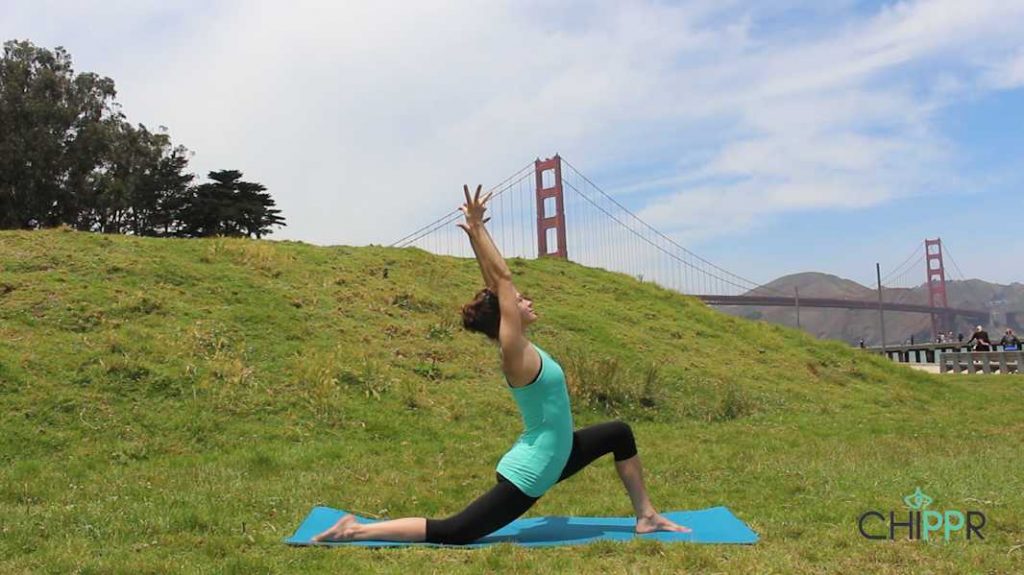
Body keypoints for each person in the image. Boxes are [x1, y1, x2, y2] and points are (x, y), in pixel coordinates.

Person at [313, 185, 689, 545]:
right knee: (454, 532)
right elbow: (504, 281)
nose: (525, 301)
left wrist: (474, 237)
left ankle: (647, 516)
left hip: (557, 451)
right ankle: (354, 530)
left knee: (618, 432)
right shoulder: (514, 351)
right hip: (535, 469)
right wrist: (478, 227)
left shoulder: (520, 344)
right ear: (507, 318)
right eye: (520, 301)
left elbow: (496, 286)